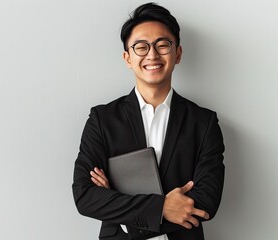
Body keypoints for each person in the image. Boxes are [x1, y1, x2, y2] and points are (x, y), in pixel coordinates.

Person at [72, 3, 225, 240]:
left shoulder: (203, 122)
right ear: (127, 58)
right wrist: (162, 208)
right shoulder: (102, 119)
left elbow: (207, 201)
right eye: (141, 47)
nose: (152, 55)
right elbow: (85, 196)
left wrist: (116, 203)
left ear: (178, 53)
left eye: (162, 45)